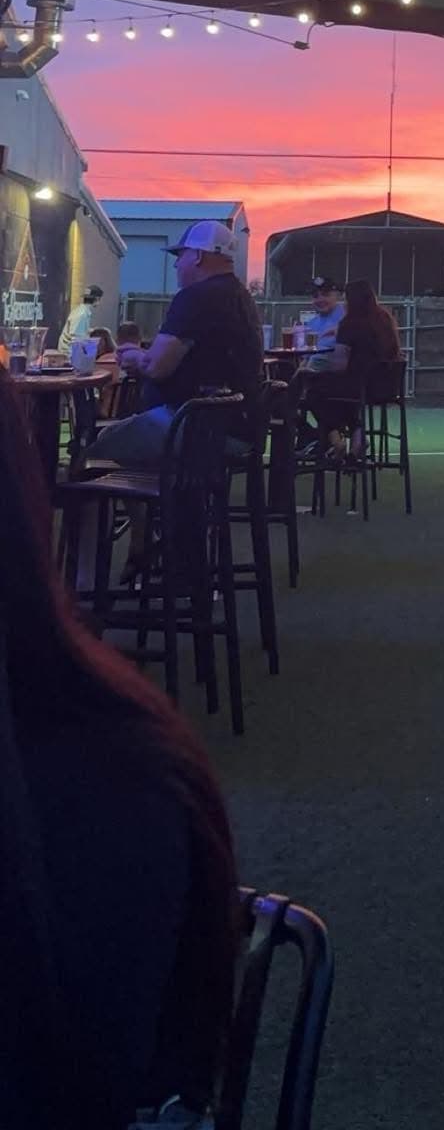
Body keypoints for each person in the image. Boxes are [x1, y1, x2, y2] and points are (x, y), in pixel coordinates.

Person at [0, 363, 237, 1127]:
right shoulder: (128, 766)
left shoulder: (96, 793)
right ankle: (105, 573)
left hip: (179, 438)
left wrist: (137, 362)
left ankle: (103, 570)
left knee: (99, 440)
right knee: (104, 438)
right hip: (209, 446)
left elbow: (161, 364)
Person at [103, 221, 263, 469]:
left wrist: (135, 357)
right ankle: (175, 503)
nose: (177, 264)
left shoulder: (196, 297)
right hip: (238, 426)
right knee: (130, 437)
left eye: (181, 255)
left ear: (198, 255)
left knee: (96, 447)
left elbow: (157, 367)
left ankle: (161, 504)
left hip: (197, 427)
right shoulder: (241, 297)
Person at [301, 279, 402, 457]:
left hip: (360, 387)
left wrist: (318, 369)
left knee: (314, 389)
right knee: (339, 392)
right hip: (386, 387)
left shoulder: (350, 324)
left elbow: (339, 366)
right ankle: (356, 436)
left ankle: (333, 439)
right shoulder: (385, 319)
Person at [303, 276, 345, 358]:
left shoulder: (347, 319)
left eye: (325, 295)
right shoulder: (311, 324)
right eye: (315, 296)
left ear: (338, 296)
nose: (320, 300)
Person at [60, 283, 103, 347]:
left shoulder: (81, 310)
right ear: (97, 299)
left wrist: (91, 331)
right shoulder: (82, 314)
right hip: (70, 353)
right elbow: (76, 339)